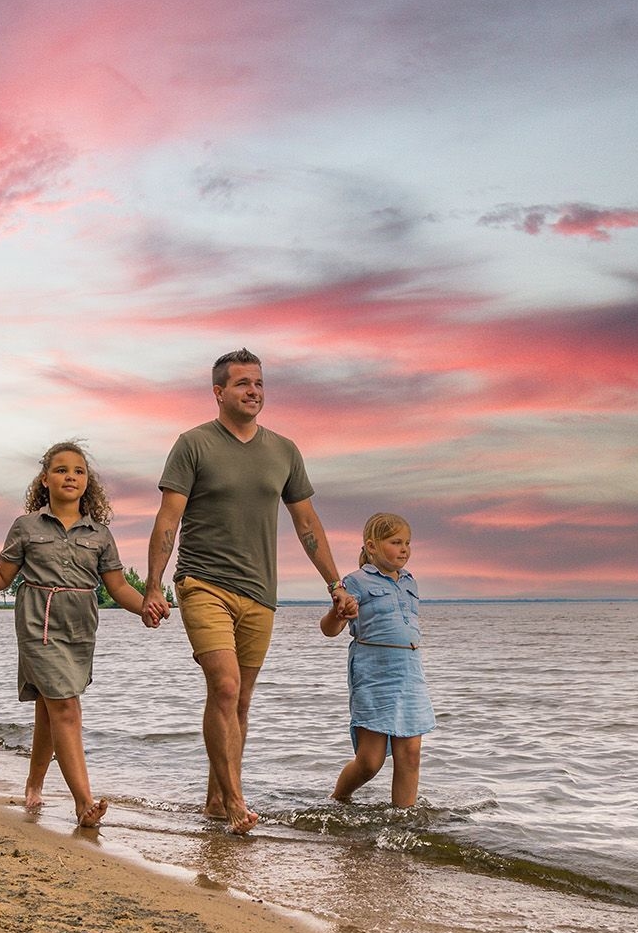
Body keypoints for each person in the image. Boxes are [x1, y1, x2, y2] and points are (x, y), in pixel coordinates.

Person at [142, 349, 358, 834]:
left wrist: (335, 583)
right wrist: (154, 584)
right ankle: (237, 801)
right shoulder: (193, 444)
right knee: (224, 686)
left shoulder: (283, 451)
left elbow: (307, 524)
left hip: (261, 593)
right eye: (242, 383)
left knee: (240, 703)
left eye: (259, 383)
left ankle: (217, 800)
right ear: (219, 392)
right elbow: (167, 521)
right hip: (202, 583)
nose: (253, 391)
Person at [0, 441, 150, 828]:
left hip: (80, 628)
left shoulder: (99, 534)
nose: (70, 476)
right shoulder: (27, 527)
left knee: (50, 711)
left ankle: (34, 783)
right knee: (66, 708)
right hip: (38, 623)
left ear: (88, 483)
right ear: (45, 479)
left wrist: (145, 606)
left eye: (79, 471)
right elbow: (0, 577)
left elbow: (118, 587)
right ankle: (83, 804)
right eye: (62, 470)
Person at [321, 512, 435, 808]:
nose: (404, 549)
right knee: (370, 762)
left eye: (407, 542)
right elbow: (329, 630)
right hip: (374, 673)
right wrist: (338, 612)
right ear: (371, 546)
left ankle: (403, 824)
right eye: (395, 542)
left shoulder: (410, 581)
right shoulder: (355, 582)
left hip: (410, 673)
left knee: (410, 754)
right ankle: (339, 799)